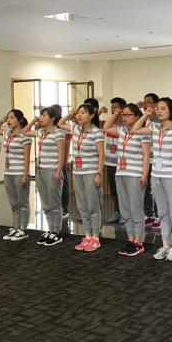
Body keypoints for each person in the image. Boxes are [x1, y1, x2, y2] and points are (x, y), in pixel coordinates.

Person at [131, 97, 172, 262]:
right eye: (157, 108)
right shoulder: (154, 127)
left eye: (163, 108)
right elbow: (134, 129)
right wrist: (146, 115)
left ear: (171, 110)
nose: (159, 111)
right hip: (156, 175)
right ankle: (165, 244)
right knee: (162, 212)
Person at [103, 103, 151, 256]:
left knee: (136, 209)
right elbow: (106, 127)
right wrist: (115, 114)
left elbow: (146, 155)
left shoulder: (142, 132)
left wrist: (144, 175)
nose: (124, 117)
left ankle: (139, 242)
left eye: (128, 114)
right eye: (123, 115)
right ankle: (130, 239)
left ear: (137, 116)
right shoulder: (122, 130)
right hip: (120, 173)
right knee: (125, 210)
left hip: (135, 174)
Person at [59, 104, 105, 252]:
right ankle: (87, 235)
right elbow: (60, 123)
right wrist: (70, 114)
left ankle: (96, 237)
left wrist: (98, 173)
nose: (79, 115)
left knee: (93, 205)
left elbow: (101, 155)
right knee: (82, 206)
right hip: (77, 172)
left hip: (91, 172)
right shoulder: (76, 129)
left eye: (83, 113)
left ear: (92, 115)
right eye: (78, 113)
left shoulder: (97, 132)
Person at [23, 107, 65, 246]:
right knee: (46, 203)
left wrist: (58, 171)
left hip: (52, 170)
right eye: (40, 115)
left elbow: (61, 152)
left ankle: (56, 232)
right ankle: (50, 229)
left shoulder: (58, 132)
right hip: (40, 170)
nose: (41, 117)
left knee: (54, 202)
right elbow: (24, 132)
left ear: (52, 118)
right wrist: (33, 120)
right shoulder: (41, 132)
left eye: (44, 115)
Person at [0, 110, 31, 241]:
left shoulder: (25, 135)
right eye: (8, 118)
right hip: (8, 172)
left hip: (20, 172)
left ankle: (23, 229)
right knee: (14, 202)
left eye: (11, 118)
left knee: (23, 202)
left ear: (20, 120)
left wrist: (25, 175)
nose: (8, 120)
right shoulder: (7, 133)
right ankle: (16, 227)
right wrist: (2, 119)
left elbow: (27, 157)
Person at [105, 97, 127, 223]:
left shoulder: (125, 124)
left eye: (116, 108)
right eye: (112, 107)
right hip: (110, 162)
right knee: (113, 190)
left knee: (123, 190)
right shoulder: (109, 123)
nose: (113, 110)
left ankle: (125, 214)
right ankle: (117, 212)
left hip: (122, 163)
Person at [141, 93, 161, 229]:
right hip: (147, 159)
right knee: (147, 188)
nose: (146, 105)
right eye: (145, 102)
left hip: (158, 160)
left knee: (157, 189)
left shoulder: (160, 120)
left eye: (149, 102)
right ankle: (150, 215)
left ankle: (160, 216)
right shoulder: (146, 120)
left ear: (155, 104)